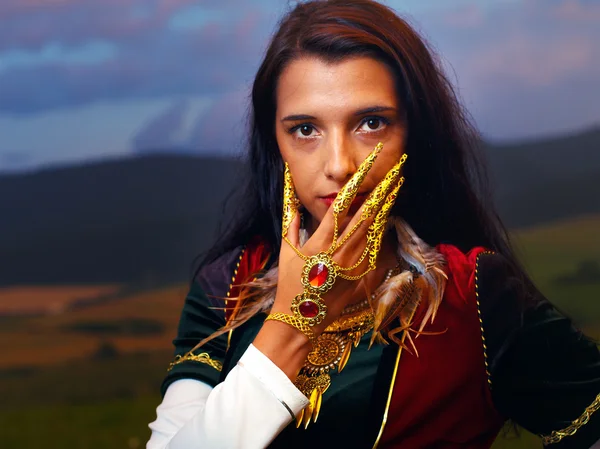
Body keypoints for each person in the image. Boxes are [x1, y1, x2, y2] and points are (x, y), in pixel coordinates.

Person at [146, 1, 600, 448]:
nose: (340, 166)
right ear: (274, 142)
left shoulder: (473, 293)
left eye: (371, 123)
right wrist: (294, 322)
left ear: (415, 134)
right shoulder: (230, 282)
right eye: (305, 129)